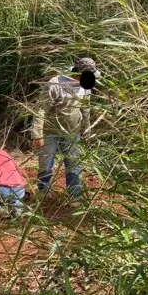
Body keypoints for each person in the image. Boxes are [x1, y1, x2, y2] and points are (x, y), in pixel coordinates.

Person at [31, 57, 98, 199]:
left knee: (74, 165)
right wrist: (37, 134)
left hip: (72, 132)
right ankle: (44, 194)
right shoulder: (55, 84)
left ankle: (75, 196)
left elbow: (86, 110)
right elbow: (41, 110)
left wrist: (87, 132)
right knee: (46, 165)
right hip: (50, 132)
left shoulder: (86, 87)